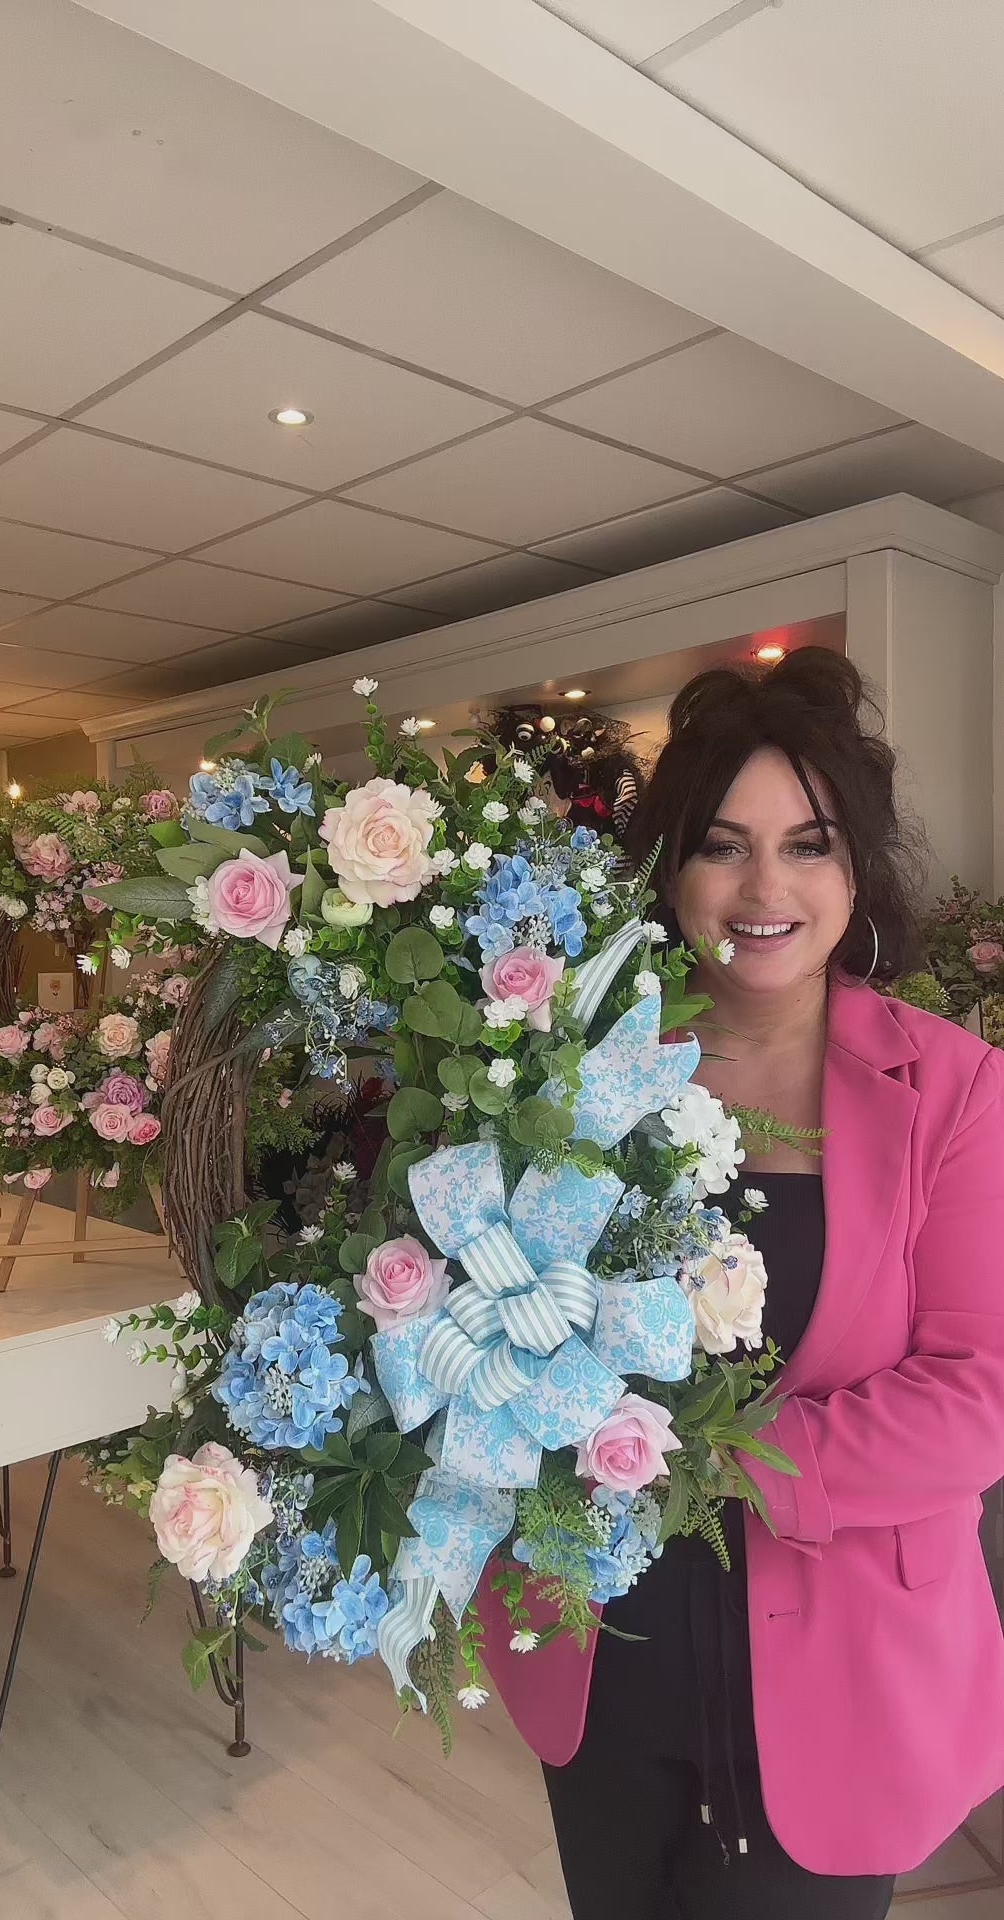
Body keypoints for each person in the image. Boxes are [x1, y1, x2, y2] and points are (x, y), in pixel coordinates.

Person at [476, 647, 1004, 1918]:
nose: (766, 888)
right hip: (609, 1650)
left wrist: (721, 1458)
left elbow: (980, 1394)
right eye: (724, 846)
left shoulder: (953, 1089)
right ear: (672, 873)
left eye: (808, 846)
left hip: (844, 1678)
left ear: (856, 872)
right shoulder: (578, 1073)